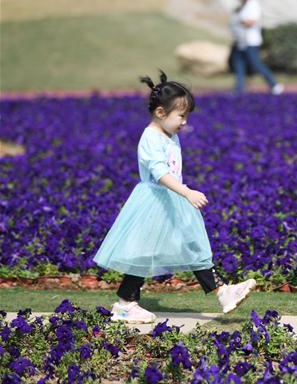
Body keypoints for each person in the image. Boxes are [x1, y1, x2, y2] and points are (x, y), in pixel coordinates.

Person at [93, 73, 257, 323]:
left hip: (171, 199)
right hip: (155, 201)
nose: (184, 122)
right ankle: (125, 303)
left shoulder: (170, 135)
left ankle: (223, 292)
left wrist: (181, 193)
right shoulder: (150, 137)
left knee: (192, 244)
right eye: (181, 116)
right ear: (161, 113)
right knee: (143, 254)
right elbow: (159, 173)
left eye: (186, 116)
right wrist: (186, 192)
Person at [229, 0, 284, 95]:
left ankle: (274, 84)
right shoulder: (241, 6)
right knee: (238, 64)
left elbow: (252, 21)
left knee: (256, 64)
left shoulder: (253, 5)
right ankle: (239, 88)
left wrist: (240, 21)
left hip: (251, 41)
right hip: (240, 40)